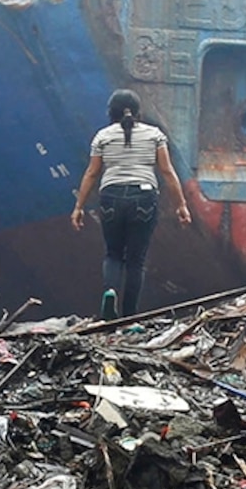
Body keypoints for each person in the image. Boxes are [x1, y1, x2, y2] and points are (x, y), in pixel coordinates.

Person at [67, 88, 192, 319]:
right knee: (136, 260)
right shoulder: (155, 135)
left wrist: (78, 207)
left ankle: (110, 294)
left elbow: (92, 173)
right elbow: (166, 171)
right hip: (143, 197)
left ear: (111, 112)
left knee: (113, 254)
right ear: (138, 112)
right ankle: (130, 316)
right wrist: (181, 205)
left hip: (110, 197)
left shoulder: (102, 136)